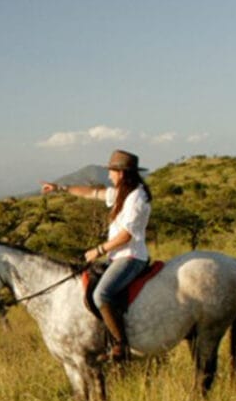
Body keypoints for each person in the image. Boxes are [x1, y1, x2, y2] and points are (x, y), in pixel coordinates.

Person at [41, 149, 152, 362]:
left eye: (112, 171)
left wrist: (98, 250)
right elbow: (91, 193)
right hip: (117, 257)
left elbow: (126, 236)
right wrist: (60, 188)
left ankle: (121, 344)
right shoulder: (123, 192)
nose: (109, 175)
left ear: (121, 173)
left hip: (131, 257)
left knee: (101, 294)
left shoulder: (136, 198)